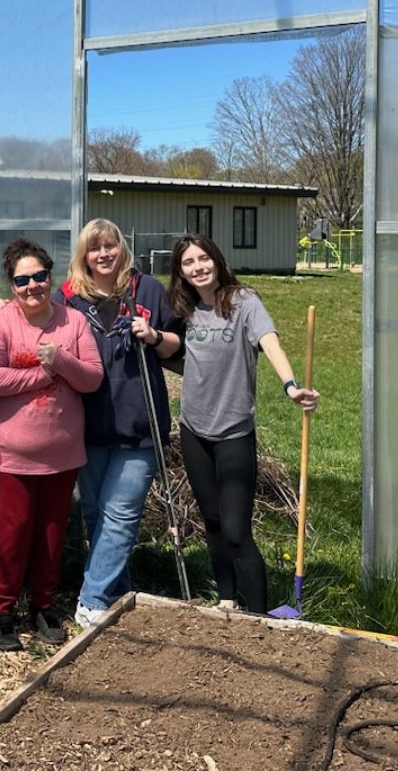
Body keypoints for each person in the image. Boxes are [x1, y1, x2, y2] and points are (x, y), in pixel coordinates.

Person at [168, 234, 319, 614]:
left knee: (236, 532)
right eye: (189, 262)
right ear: (181, 271)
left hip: (233, 430)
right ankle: (227, 600)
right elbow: (175, 351)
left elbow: (270, 342)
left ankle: (259, 616)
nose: (198, 267)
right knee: (214, 524)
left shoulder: (243, 302)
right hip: (193, 429)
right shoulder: (184, 310)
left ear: (216, 260)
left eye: (203, 258)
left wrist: (291, 386)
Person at [0, 238, 103, 651]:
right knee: (10, 532)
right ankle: (1, 609)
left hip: (61, 453)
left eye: (39, 276)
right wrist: (43, 376)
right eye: (22, 280)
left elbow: (92, 378)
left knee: (51, 534)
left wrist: (61, 361)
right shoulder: (0, 323)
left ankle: (44, 605)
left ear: (51, 276)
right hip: (10, 455)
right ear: (12, 286)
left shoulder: (73, 323)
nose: (32, 286)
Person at [53, 219, 183, 627]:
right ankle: (119, 594)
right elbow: (36, 321)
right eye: (95, 248)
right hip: (87, 424)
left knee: (122, 513)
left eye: (110, 245)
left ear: (122, 248)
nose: (104, 254)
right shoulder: (69, 297)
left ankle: (90, 600)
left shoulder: (146, 290)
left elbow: (178, 344)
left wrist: (154, 334)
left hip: (139, 421)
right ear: (84, 256)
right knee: (96, 514)